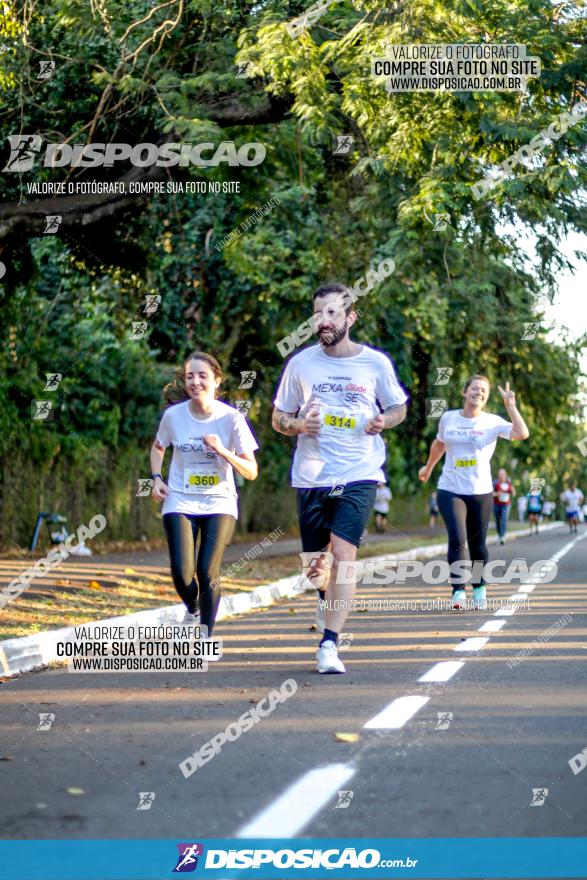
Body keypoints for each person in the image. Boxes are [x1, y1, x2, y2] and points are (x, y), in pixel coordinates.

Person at [272, 281, 408, 674]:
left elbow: (399, 406)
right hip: (312, 475)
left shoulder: (375, 363)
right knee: (316, 568)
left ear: (350, 317)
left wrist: (385, 420)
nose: (323, 321)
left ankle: (329, 644)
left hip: (359, 472)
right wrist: (299, 425)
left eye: (332, 313)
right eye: (318, 314)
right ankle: (324, 596)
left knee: (344, 554)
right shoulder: (300, 364)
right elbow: (278, 419)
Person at [150, 351, 259, 635]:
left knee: (207, 572)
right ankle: (193, 608)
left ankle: (205, 635)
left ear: (217, 380)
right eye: (190, 376)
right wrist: (156, 478)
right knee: (181, 572)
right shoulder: (173, 416)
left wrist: (222, 450)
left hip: (219, 501)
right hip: (180, 498)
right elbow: (159, 446)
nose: (195, 381)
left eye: (202, 376)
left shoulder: (232, 418)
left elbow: (251, 470)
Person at [418, 376, 529, 610]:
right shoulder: (448, 418)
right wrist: (428, 468)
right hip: (450, 488)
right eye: (474, 388)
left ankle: (479, 588)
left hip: (480, 491)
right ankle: (458, 591)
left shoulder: (492, 421)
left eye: (484, 391)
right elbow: (439, 445)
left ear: (487, 397)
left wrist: (511, 407)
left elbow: (521, 434)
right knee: (457, 539)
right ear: (465, 391)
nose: (478, 392)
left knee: (477, 544)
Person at [493, 467, 515, 544]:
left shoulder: (509, 483)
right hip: (496, 504)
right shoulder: (495, 483)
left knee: (503, 519)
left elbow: (513, 493)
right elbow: (491, 494)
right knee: (497, 521)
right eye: (500, 474)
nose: (501, 475)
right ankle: (499, 534)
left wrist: (512, 491)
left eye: (503, 474)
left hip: (506, 505)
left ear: (505, 475)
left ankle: (502, 536)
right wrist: (497, 494)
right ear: (498, 475)